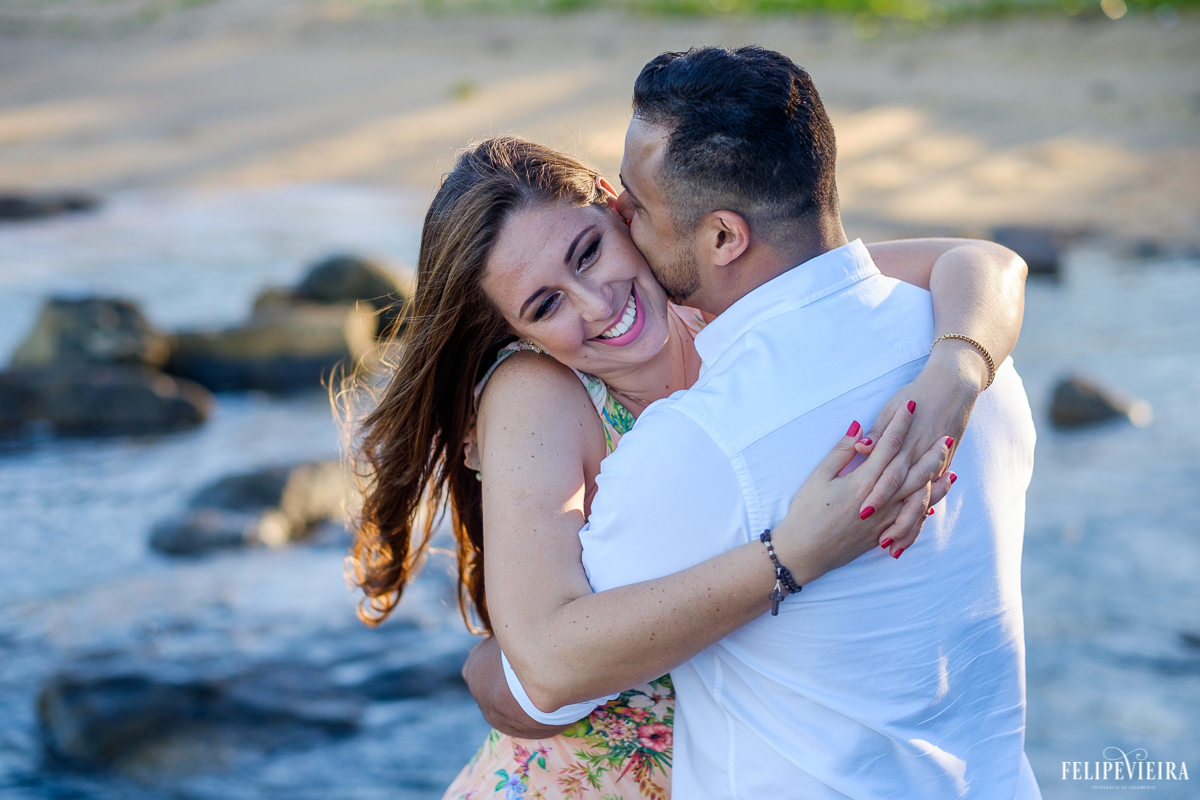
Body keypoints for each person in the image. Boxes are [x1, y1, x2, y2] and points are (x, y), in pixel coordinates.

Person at [344, 137, 1027, 797]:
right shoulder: (537, 394)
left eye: (588, 254)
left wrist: (955, 374)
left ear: (616, 208)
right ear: (516, 331)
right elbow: (540, 672)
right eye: (545, 305)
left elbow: (981, 262)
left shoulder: (719, 299)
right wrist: (795, 553)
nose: (597, 305)